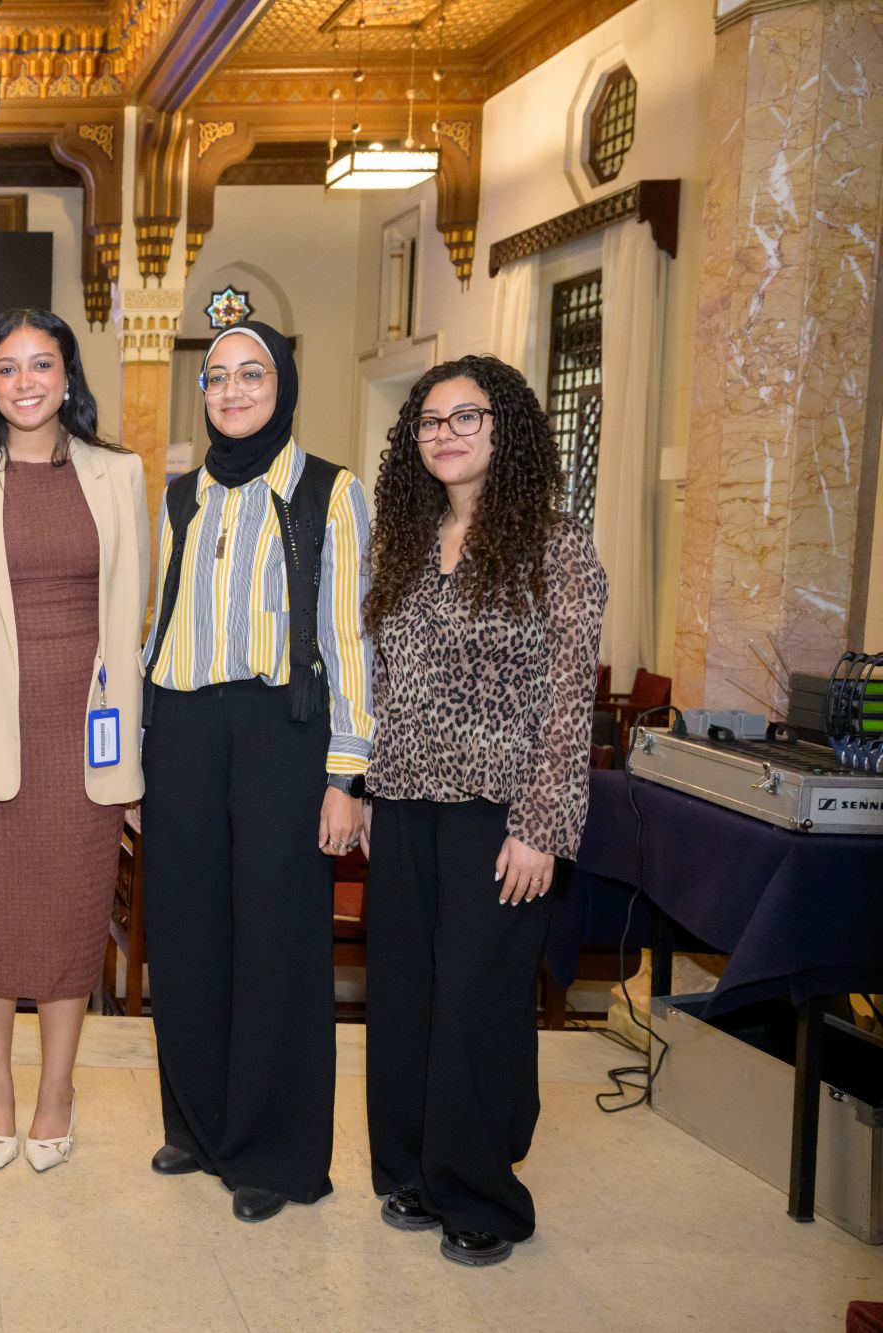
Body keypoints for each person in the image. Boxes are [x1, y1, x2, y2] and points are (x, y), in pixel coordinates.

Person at [361, 355, 607, 1267]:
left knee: (475, 1000)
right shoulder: (405, 541)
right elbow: (386, 680)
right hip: (405, 802)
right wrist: (370, 789)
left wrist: (543, 825)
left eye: (466, 417)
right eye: (430, 421)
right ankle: (414, 1170)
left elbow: (571, 698)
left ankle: (480, 1195)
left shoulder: (556, 544)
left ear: (506, 429)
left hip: (500, 815)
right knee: (407, 996)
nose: (446, 434)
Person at [140, 320, 374, 1222]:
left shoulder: (330, 491)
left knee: (277, 942)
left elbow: (351, 642)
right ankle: (198, 1127)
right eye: (218, 377)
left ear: (284, 388)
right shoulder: (179, 497)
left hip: (285, 731)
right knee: (187, 934)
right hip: (183, 731)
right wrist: (139, 757)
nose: (232, 391)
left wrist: (346, 776)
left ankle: (274, 1154)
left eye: (252, 374)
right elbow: (158, 623)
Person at [0, 309, 147, 1172]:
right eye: (7, 367)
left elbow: (133, 611)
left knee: (69, 917)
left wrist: (133, 755)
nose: (25, 382)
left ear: (67, 375)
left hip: (83, 733)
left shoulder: (119, 472)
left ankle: (57, 1089)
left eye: (41, 364)